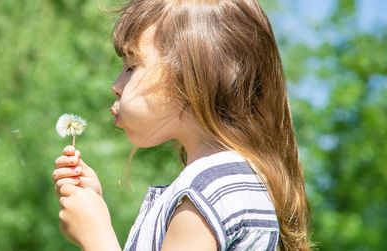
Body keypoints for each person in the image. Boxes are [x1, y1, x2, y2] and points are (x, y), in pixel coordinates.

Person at [52, 0, 311, 250]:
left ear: (193, 76)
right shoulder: (222, 184)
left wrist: (96, 236)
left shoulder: (209, 191)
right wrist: (93, 209)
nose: (116, 86)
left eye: (131, 67)